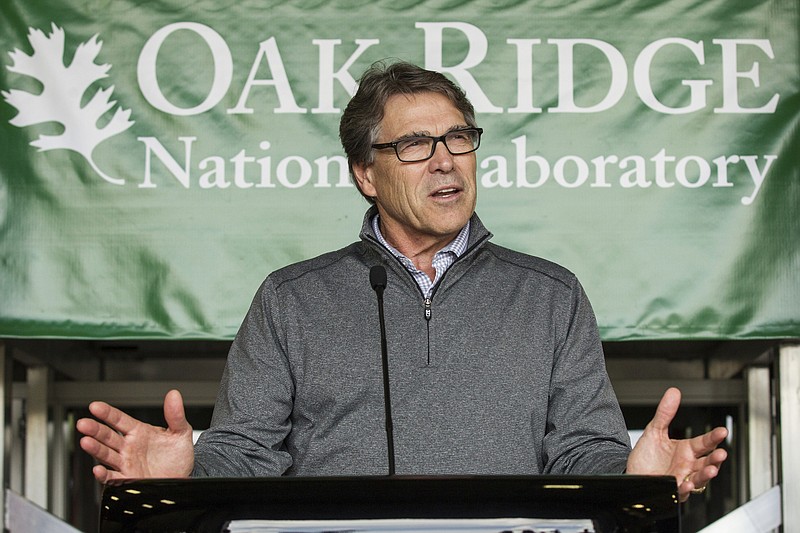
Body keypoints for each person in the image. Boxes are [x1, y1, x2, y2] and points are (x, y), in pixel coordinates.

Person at [77, 60, 727, 501]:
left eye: (459, 138)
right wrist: (189, 472)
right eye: (416, 145)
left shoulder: (551, 295)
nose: (445, 160)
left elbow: (580, 451)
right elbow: (248, 453)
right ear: (366, 173)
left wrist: (629, 475)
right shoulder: (290, 299)